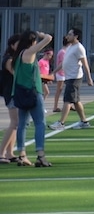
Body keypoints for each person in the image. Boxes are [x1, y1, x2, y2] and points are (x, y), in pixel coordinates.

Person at [13, 30, 54, 167]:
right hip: (33, 92)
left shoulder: (18, 55)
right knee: (40, 123)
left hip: (20, 92)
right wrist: (40, 34)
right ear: (32, 41)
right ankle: (40, 155)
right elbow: (49, 38)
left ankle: (21, 154)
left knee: (22, 125)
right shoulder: (29, 52)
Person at [51, 28, 94, 130]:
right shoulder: (71, 47)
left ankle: (61, 123)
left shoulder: (79, 48)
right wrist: (53, 72)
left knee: (68, 100)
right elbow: (63, 62)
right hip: (69, 77)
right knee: (75, 100)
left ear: (76, 36)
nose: (67, 36)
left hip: (75, 77)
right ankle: (84, 121)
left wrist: (89, 78)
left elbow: (85, 64)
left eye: (70, 34)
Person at [0, 34, 21, 164]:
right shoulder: (9, 59)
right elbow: (16, 74)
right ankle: (1, 152)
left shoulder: (14, 57)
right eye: (18, 44)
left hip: (15, 93)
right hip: (11, 93)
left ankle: (9, 152)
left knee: (16, 123)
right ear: (12, 45)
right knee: (15, 122)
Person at [51, 34, 71, 113]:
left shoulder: (65, 51)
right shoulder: (63, 52)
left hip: (64, 73)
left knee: (66, 89)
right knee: (59, 90)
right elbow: (63, 63)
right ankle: (55, 106)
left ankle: (69, 104)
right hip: (61, 73)